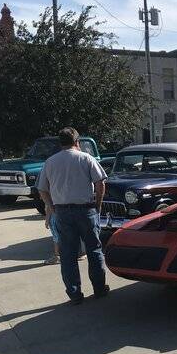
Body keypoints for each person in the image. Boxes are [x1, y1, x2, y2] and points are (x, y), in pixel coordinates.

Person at [38, 127, 108, 304]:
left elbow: (42, 189)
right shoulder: (86, 158)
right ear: (77, 142)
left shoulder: (50, 162)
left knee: (68, 254)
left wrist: (52, 208)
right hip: (86, 211)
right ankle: (99, 288)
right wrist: (98, 205)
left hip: (62, 212)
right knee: (94, 250)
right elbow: (100, 183)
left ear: (60, 143)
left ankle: (74, 294)